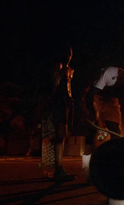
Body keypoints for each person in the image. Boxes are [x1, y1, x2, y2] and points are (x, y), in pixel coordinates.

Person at [48, 46, 75, 181]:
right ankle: (58, 169)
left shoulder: (67, 69)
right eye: (67, 53)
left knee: (62, 135)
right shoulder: (59, 67)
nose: (69, 55)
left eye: (70, 53)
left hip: (63, 104)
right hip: (59, 103)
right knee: (59, 135)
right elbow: (56, 86)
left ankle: (59, 168)